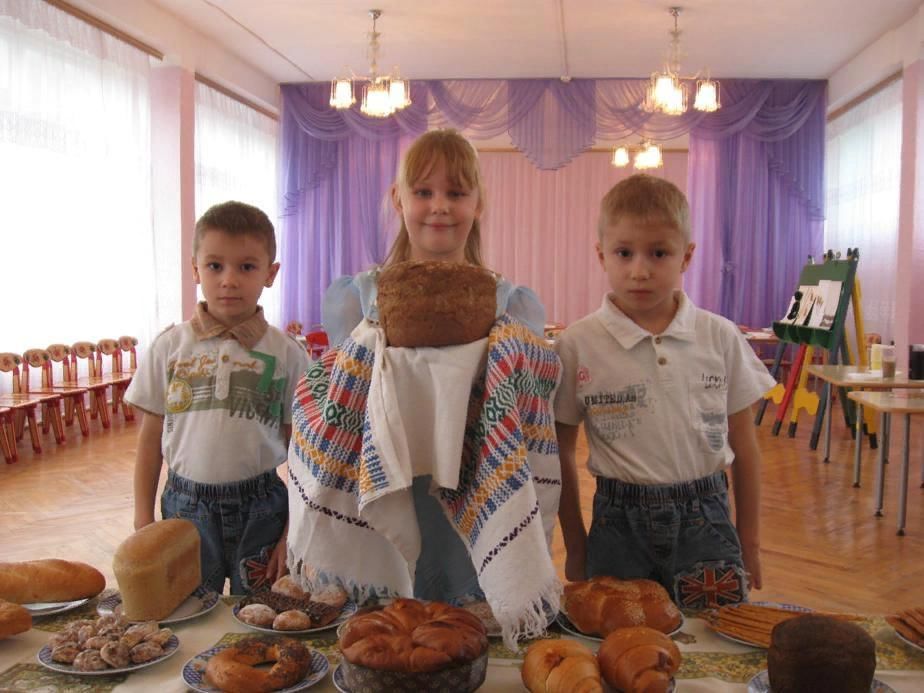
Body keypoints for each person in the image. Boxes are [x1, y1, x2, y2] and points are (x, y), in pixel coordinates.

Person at [305, 128, 555, 609]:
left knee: (459, 628)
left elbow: (522, 411)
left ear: (478, 203)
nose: (439, 206)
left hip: (470, 486)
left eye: (456, 193)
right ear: (398, 199)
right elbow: (340, 400)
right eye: (423, 192)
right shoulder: (357, 298)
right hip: (381, 482)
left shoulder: (510, 304)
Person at [554, 174, 775, 609]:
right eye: (624, 253)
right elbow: (559, 453)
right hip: (618, 526)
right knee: (621, 644)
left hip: (707, 521)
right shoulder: (577, 345)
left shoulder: (720, 336)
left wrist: (749, 542)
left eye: (659, 253)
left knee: (719, 638)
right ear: (602, 255)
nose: (640, 270)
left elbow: (745, 448)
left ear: (686, 256)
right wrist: (576, 544)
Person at [125, 201, 309, 595]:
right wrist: (143, 518)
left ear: (270, 273)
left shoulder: (287, 353)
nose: (229, 280)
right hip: (185, 507)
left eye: (246, 267)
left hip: (263, 508)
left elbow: (302, 453)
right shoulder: (169, 346)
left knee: (259, 614)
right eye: (214, 266)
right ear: (195, 270)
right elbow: (150, 439)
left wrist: (292, 532)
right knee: (190, 608)